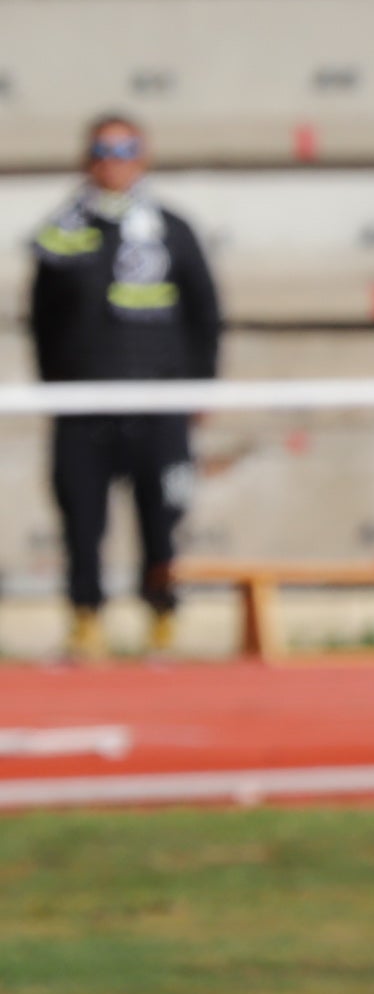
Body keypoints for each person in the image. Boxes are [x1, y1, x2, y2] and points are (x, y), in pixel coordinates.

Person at [29, 114, 221, 656]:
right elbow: (41, 320)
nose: (116, 159)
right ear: (87, 157)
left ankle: (162, 617)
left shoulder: (173, 229)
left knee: (162, 517)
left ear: (145, 155)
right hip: (83, 404)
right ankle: (85, 617)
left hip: (158, 401)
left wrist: (201, 389)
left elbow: (205, 314)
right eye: (105, 149)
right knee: (82, 521)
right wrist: (54, 389)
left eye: (128, 147)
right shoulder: (62, 236)